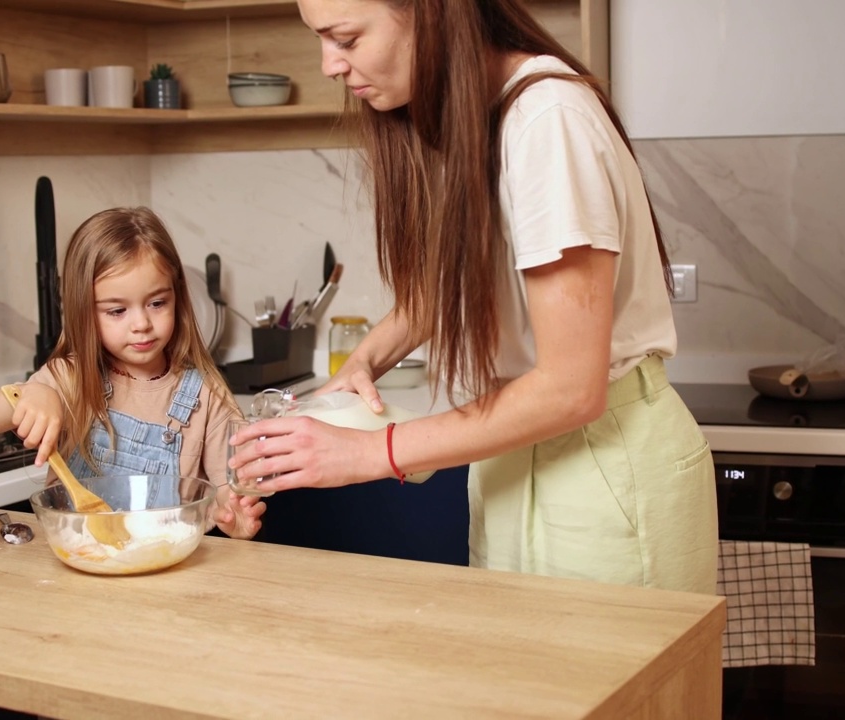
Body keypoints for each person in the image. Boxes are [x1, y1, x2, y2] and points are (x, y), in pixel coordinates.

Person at [228, 0, 717, 594]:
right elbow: (468, 272)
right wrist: (367, 356)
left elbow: (570, 387)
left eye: (347, 38)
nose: (329, 64)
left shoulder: (546, 120)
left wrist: (368, 452)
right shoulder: (483, 117)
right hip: (522, 461)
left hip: (603, 471)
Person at [0, 206, 265, 538]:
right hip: (77, 563)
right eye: (116, 311)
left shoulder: (205, 394)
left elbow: (227, 489)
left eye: (157, 303)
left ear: (178, 297)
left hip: (167, 566)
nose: (141, 324)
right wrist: (31, 395)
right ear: (85, 312)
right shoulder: (70, 378)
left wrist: (233, 513)